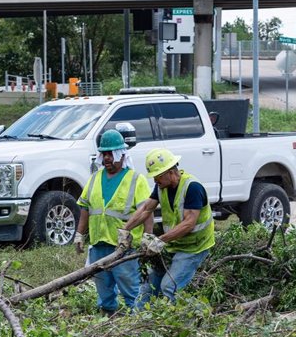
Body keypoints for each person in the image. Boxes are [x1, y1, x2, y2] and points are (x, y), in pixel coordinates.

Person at [120, 148, 215, 309]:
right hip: (173, 244)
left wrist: (160, 240)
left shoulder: (192, 188)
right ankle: (136, 323)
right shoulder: (161, 187)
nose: (155, 180)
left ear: (170, 172)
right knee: (149, 287)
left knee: (169, 287)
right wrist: (125, 229)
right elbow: (146, 209)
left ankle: (172, 324)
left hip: (194, 247)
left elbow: (188, 224)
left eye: (158, 176)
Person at [74, 129, 152, 316]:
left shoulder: (135, 179)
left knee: (129, 286)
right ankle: (108, 316)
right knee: (103, 286)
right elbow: (85, 208)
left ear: (121, 154)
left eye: (111, 154)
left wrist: (148, 236)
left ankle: (137, 319)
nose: (107, 158)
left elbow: (147, 211)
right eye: (104, 154)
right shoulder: (94, 179)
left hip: (124, 246)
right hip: (99, 243)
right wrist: (79, 234)